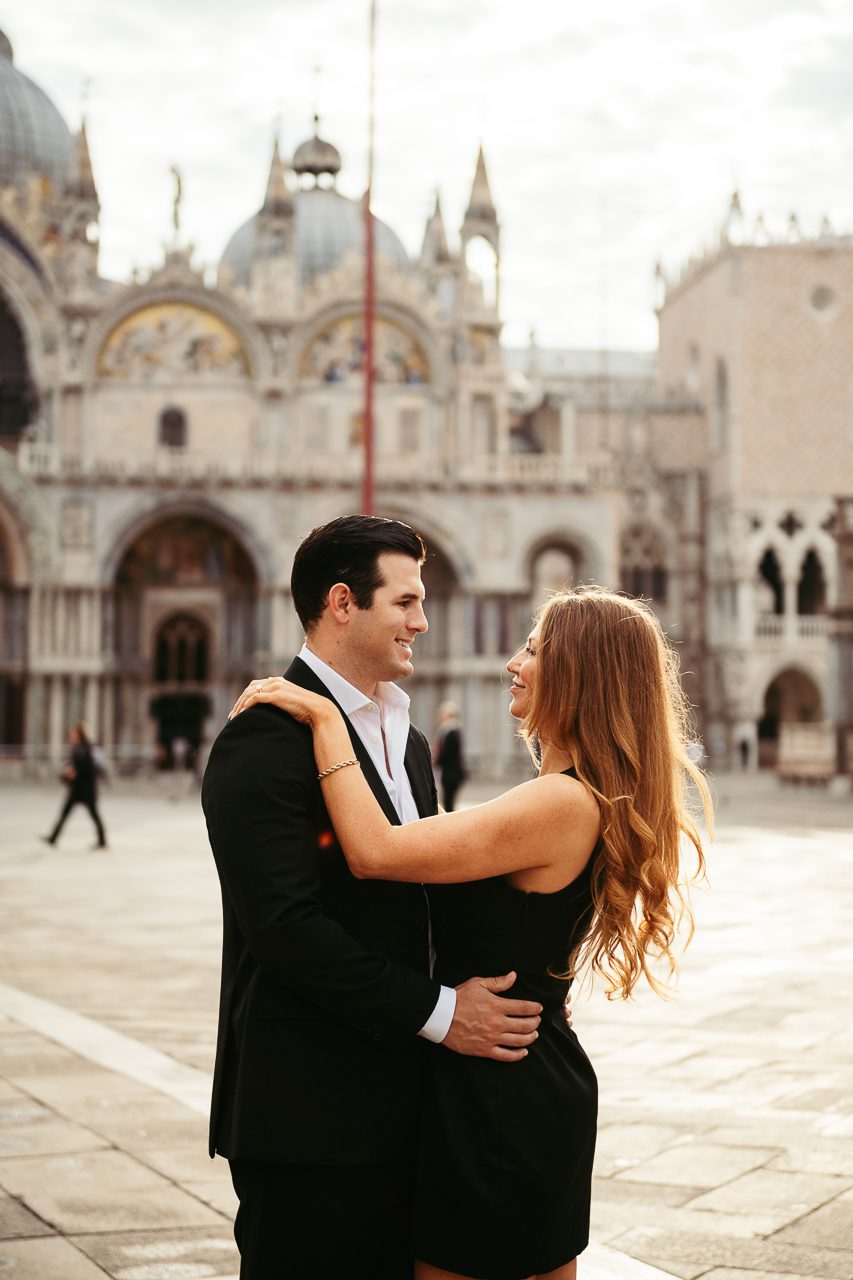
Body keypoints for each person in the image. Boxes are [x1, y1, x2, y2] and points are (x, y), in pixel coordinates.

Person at [231, 584, 712, 1280]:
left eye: (535, 649)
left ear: (580, 673)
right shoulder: (572, 794)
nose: (512, 662)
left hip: (499, 1096)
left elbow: (375, 852)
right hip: (515, 1072)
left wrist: (324, 719)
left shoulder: (556, 801)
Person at [201, 515, 544, 1280]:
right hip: (309, 1114)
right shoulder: (262, 738)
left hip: (405, 1105)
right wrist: (445, 1014)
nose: (422, 621)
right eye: (405, 602)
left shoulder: (409, 742)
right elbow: (284, 930)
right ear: (342, 603)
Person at [42, 723, 108, 850]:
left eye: (73, 734)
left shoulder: (87, 747)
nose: (71, 736)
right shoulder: (76, 748)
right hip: (76, 789)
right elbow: (72, 764)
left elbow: (90, 767)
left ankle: (102, 841)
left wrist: (75, 771)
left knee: (94, 815)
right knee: (64, 813)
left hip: (87, 789)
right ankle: (53, 837)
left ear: (79, 734)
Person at [432, 701, 467, 811]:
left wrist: (435, 761)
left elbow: (447, 752)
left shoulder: (452, 730)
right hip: (450, 772)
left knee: (448, 802)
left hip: (451, 773)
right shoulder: (448, 730)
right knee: (448, 801)